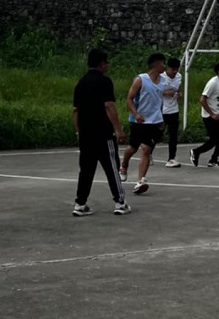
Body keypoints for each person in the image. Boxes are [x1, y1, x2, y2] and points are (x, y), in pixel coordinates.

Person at [71, 49, 131, 216]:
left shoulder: (80, 83)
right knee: (112, 168)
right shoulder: (104, 82)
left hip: (86, 134)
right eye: (106, 63)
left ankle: (80, 203)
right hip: (103, 133)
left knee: (86, 170)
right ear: (102, 64)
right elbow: (108, 106)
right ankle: (120, 202)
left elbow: (75, 111)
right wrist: (118, 129)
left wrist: (79, 132)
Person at [120, 53, 167, 195]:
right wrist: (136, 113)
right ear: (156, 64)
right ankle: (124, 166)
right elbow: (129, 98)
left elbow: (159, 101)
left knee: (146, 149)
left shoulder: (163, 81)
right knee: (132, 148)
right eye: (163, 63)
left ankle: (140, 181)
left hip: (155, 121)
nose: (165, 66)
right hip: (139, 121)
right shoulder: (141, 79)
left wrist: (161, 118)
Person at [191, 60, 219, 168]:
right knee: (214, 139)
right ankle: (196, 152)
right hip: (209, 115)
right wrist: (212, 114)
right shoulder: (213, 83)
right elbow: (202, 99)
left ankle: (214, 160)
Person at [160, 57, 183, 167]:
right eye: (173, 69)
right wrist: (165, 93)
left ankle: (171, 158)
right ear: (167, 68)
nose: (175, 72)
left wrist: (179, 94)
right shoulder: (161, 77)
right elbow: (154, 91)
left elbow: (178, 89)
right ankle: (148, 152)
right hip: (161, 109)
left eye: (176, 69)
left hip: (173, 109)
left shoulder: (179, 76)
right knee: (157, 133)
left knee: (173, 135)